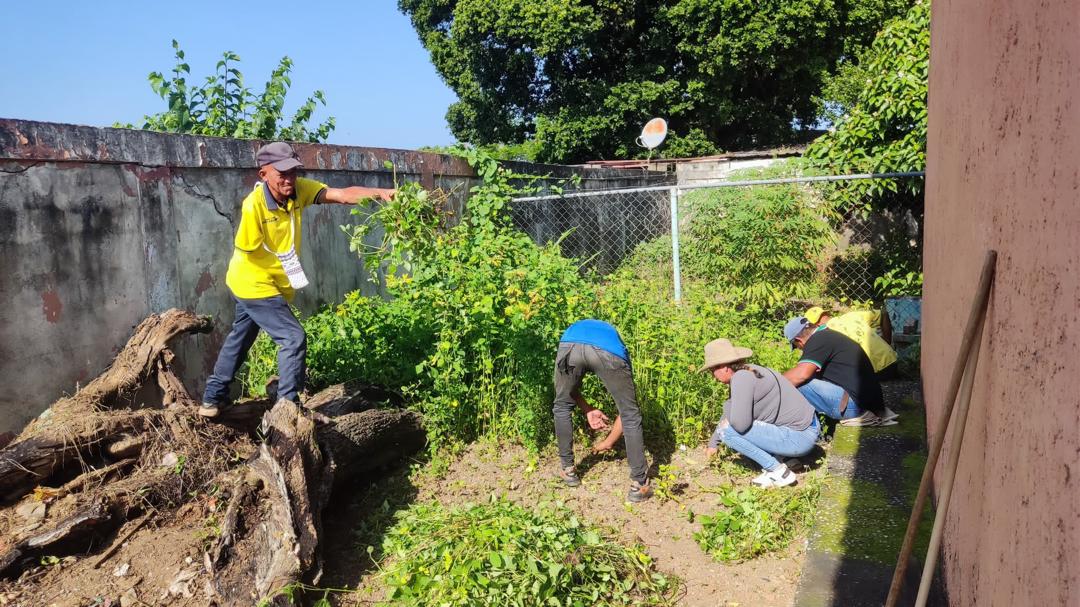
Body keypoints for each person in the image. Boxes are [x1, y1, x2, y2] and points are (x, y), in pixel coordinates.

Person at [199, 142, 395, 417]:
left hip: (269, 282)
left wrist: (382, 193)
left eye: (293, 172)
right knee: (292, 337)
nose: (289, 179)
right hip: (253, 282)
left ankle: (212, 399)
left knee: (241, 338)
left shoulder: (299, 189)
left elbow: (341, 195)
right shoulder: (254, 205)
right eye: (282, 174)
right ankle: (287, 408)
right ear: (263, 174)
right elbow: (249, 252)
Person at [552, 319, 652, 502]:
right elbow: (627, 413)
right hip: (607, 350)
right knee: (630, 413)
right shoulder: (616, 343)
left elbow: (567, 392)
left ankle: (567, 470)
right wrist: (589, 411)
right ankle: (639, 484)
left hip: (570, 344)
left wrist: (607, 439)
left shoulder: (574, 330)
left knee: (562, 405)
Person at [700, 338, 819, 488]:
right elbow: (734, 409)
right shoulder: (750, 370)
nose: (713, 376)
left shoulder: (741, 379)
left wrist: (726, 409)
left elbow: (739, 425)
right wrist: (713, 444)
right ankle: (786, 458)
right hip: (808, 429)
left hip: (800, 438)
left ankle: (778, 472)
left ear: (723, 367)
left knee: (727, 430)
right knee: (736, 423)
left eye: (712, 370)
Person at [782, 316, 897, 427]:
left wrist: (776, 382)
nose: (800, 349)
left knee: (800, 384)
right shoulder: (828, 335)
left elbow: (801, 375)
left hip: (857, 407)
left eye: (797, 346)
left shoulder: (818, 339)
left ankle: (803, 429)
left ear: (799, 341)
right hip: (870, 403)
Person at [804, 306, 897, 376]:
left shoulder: (826, 333)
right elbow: (883, 313)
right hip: (893, 363)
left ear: (814, 325)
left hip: (873, 372)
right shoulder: (851, 316)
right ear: (827, 314)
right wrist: (887, 341)